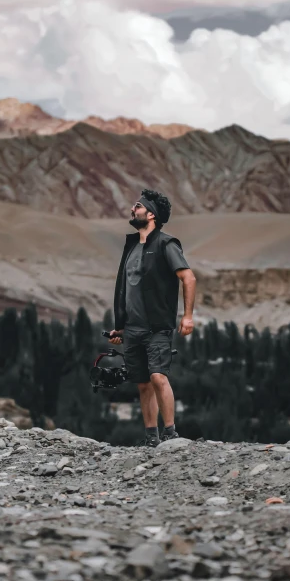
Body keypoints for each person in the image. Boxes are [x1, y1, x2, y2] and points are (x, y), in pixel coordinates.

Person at [108, 189, 196, 447]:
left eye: (137, 206)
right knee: (143, 384)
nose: (132, 209)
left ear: (151, 214)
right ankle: (150, 437)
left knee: (158, 377)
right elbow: (129, 289)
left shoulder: (166, 245)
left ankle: (170, 434)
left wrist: (187, 316)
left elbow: (188, 278)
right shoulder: (132, 246)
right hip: (133, 329)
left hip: (157, 327)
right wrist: (120, 328)